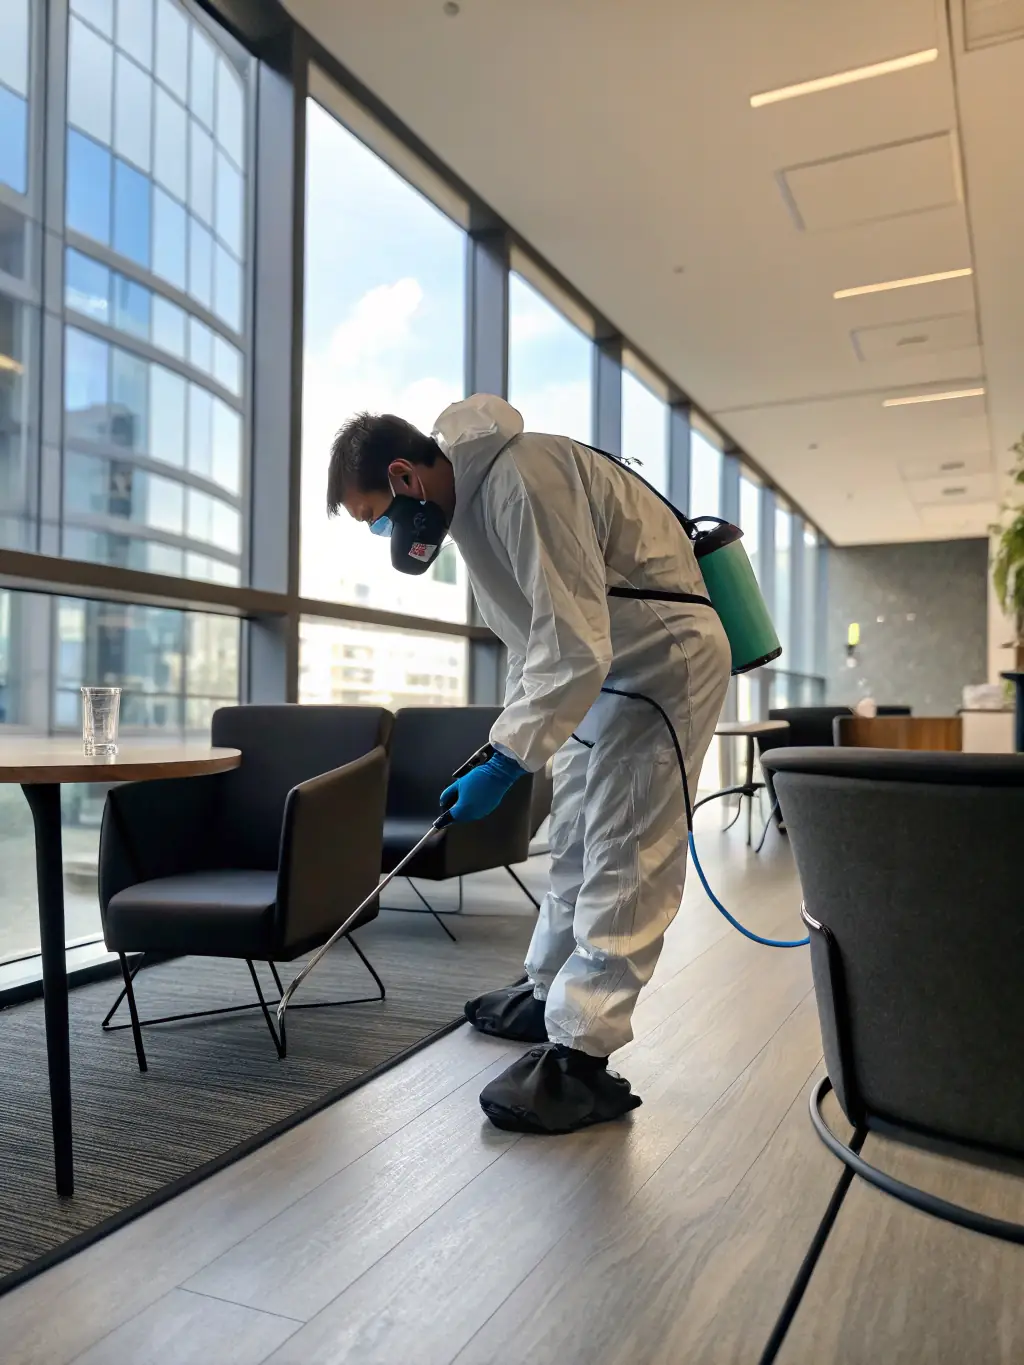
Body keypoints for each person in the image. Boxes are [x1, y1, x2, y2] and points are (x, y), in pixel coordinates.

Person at [327, 394, 731, 1135]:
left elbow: (573, 645)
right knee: (574, 833)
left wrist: (513, 759)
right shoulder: (474, 513)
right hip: (605, 679)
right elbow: (532, 646)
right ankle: (547, 987)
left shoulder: (523, 477)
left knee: (625, 849)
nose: (386, 532)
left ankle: (583, 1055)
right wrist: (500, 745)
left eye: (375, 515)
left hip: (660, 667)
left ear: (404, 475)